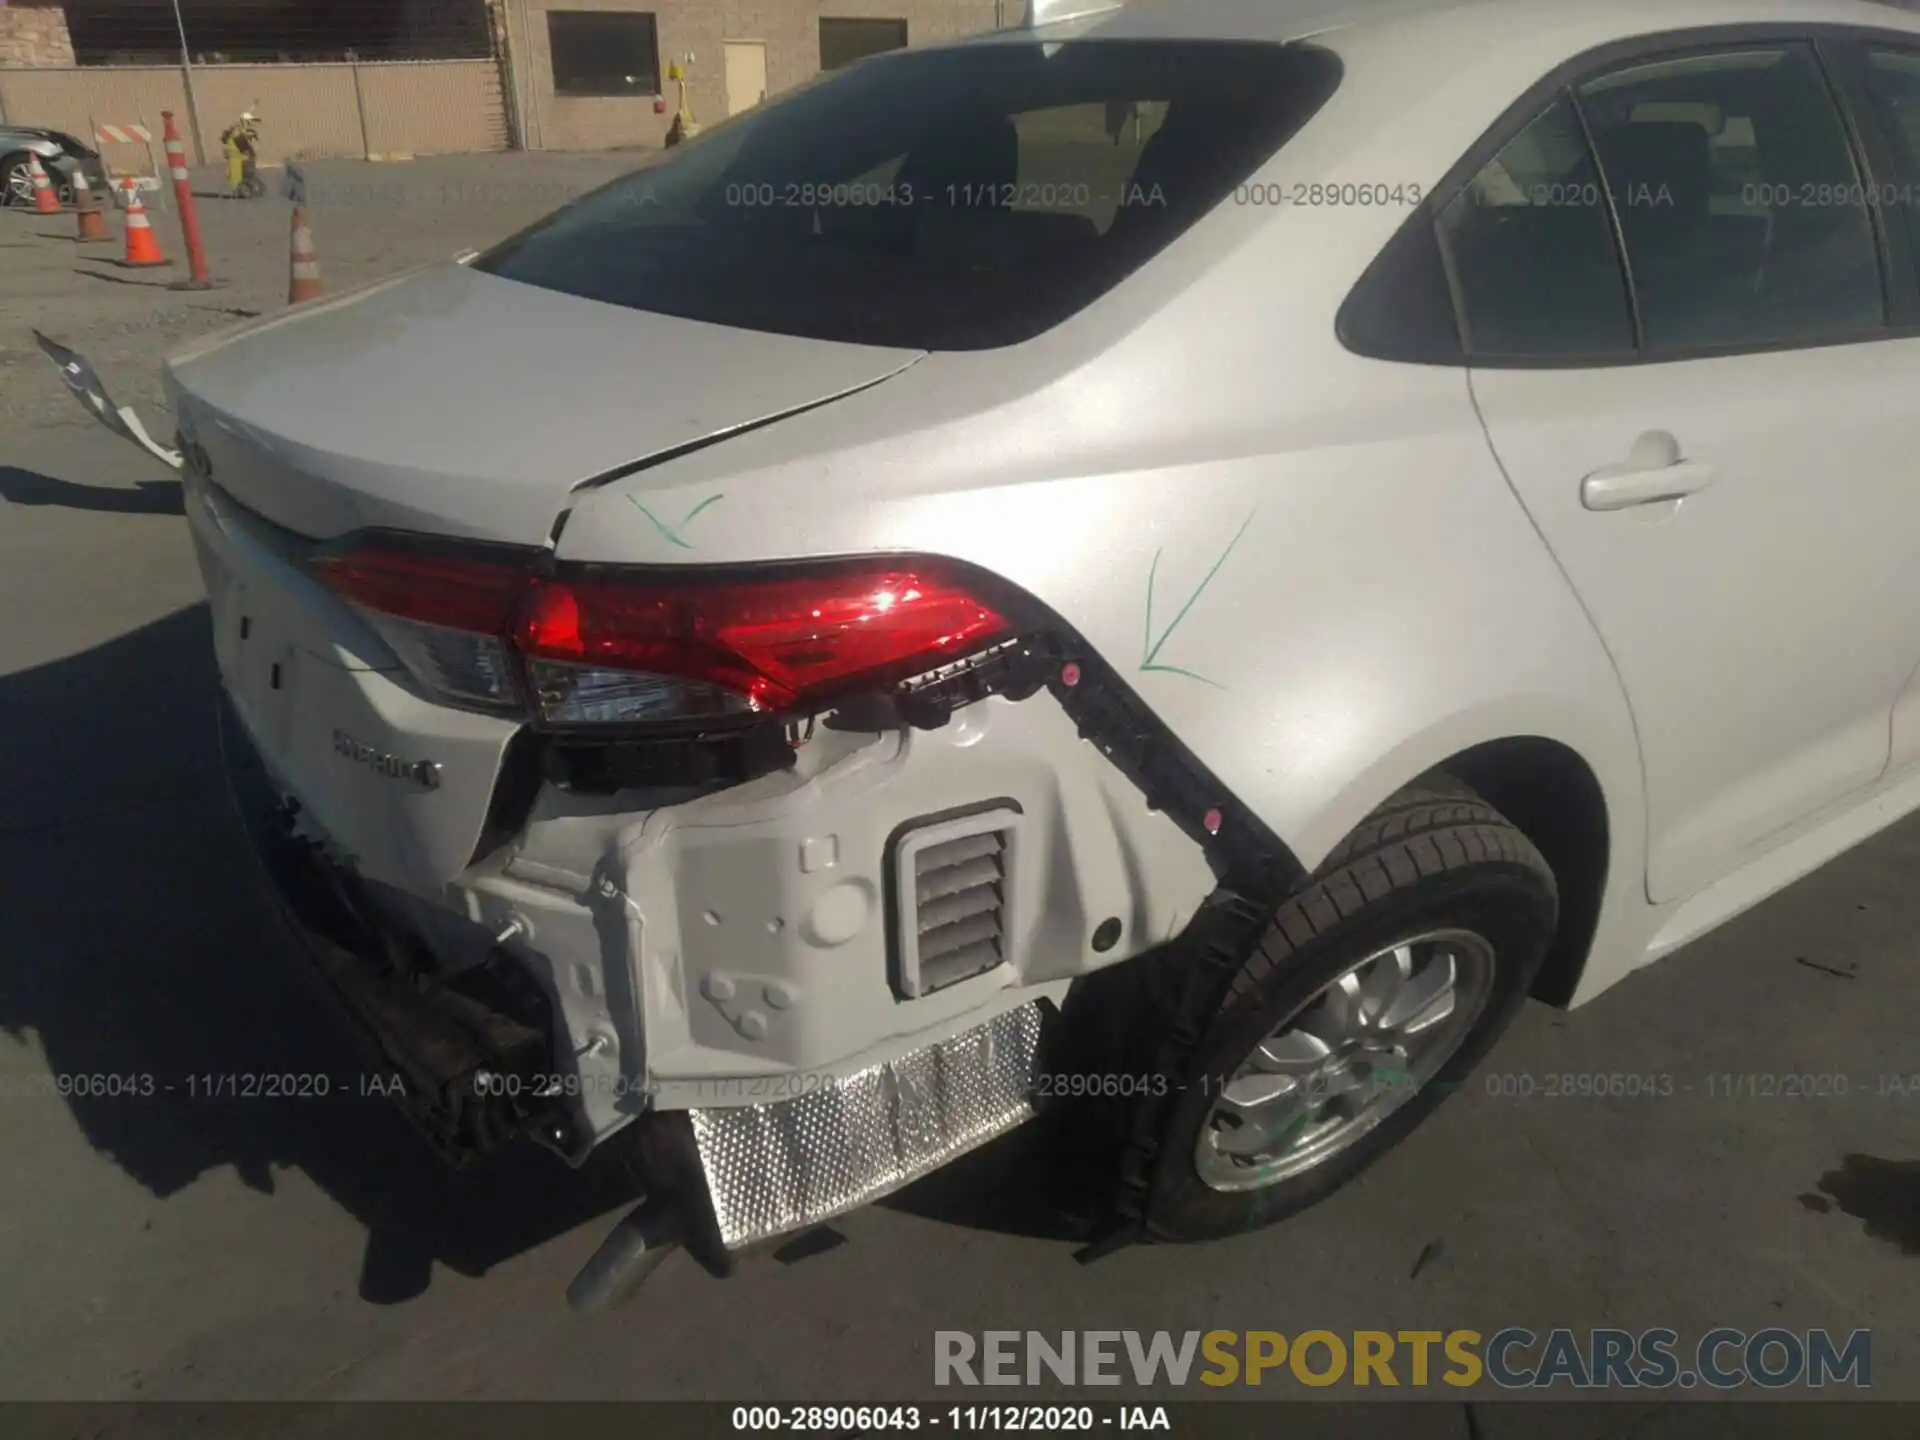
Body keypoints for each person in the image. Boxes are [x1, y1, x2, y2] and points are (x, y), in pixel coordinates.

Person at [221, 112, 263, 198]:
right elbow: (244, 146)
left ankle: (238, 190)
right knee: (238, 176)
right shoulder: (237, 135)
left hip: (239, 159)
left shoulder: (236, 133)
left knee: (238, 176)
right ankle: (238, 191)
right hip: (239, 159)